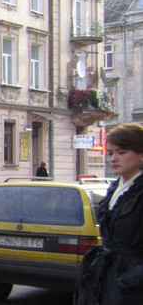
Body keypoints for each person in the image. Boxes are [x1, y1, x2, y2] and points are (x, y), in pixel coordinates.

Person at [77, 123, 143, 304]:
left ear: (140, 155)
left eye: (122, 153)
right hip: (106, 277)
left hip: (132, 286)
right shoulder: (115, 187)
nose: (113, 159)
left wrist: (130, 281)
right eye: (111, 153)